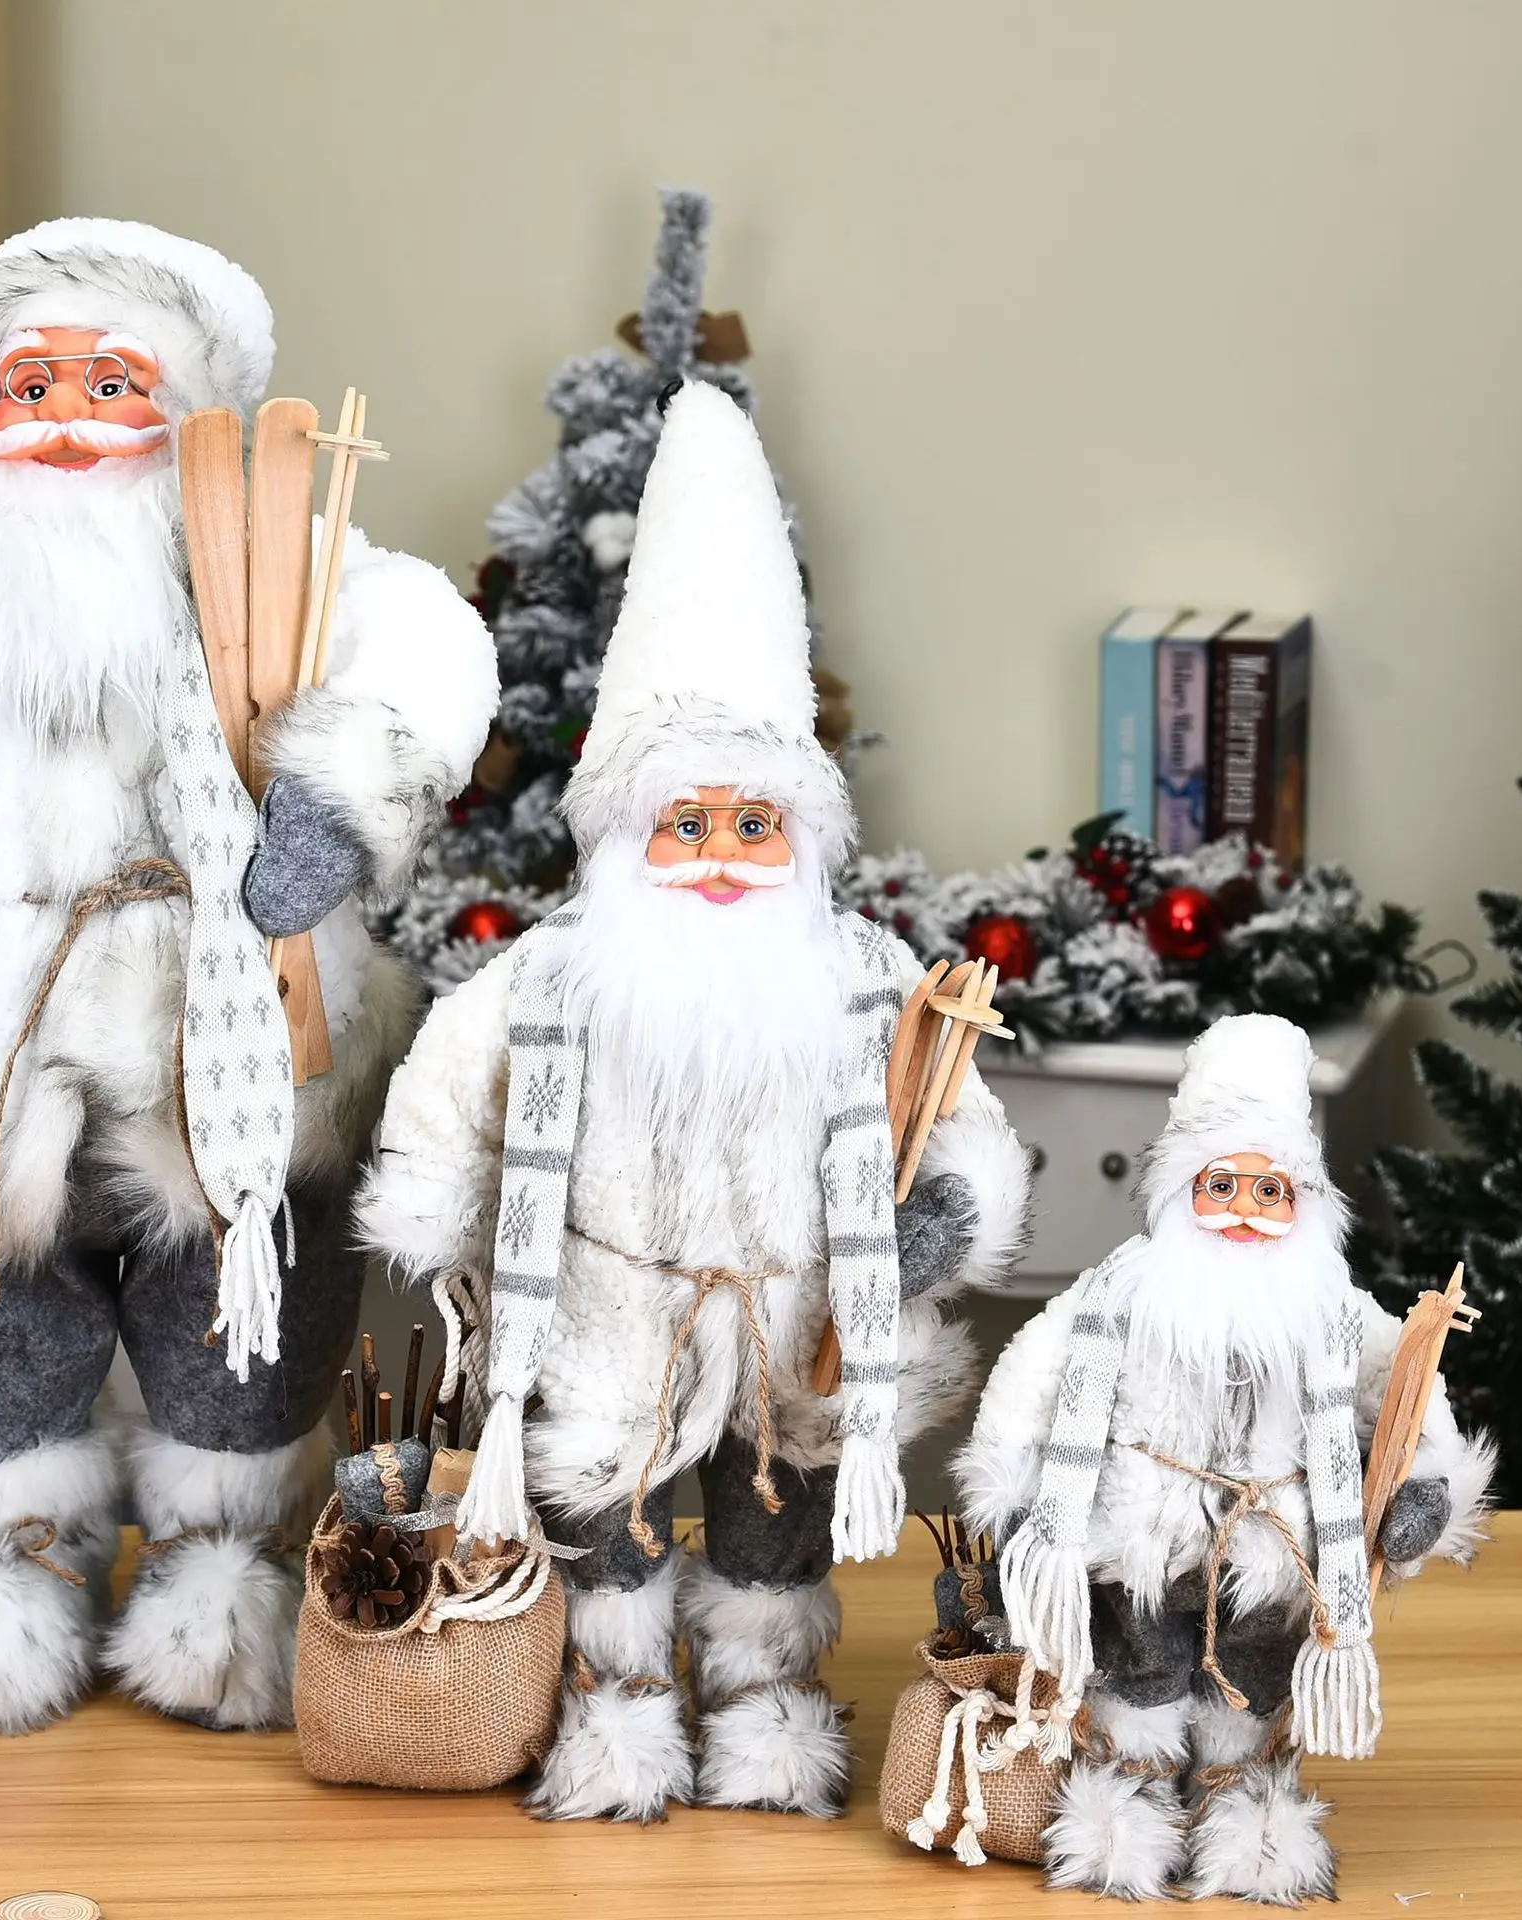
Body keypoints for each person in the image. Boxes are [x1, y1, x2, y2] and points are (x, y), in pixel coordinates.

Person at [0, 219, 498, 1734]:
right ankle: (9, 1562)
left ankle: (224, 1566)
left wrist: (333, 811)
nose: (60, 412)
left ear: (188, 416)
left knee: (240, 1324)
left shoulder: (281, 578)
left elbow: (428, 653)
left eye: (110, 383)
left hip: (224, 1034)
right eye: (28, 379)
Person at [358, 381, 1031, 1820]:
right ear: (626, 832)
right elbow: (446, 1094)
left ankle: (766, 1703)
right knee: (605, 1519)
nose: (721, 855)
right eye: (687, 822)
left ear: (802, 836)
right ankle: (618, 1702)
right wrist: (442, 1207)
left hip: (797, 1319)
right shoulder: (550, 977)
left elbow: (961, 1115)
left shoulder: (866, 975)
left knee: (772, 1519)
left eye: (753, 824)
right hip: (611, 1316)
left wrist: (948, 1211)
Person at [956, 1013, 1493, 1902]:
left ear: (1304, 1201)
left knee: (1252, 1674)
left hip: (1273, 1546)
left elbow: (1401, 1384)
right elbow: (1031, 1375)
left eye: (1270, 1190)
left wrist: (1425, 1486)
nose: (1245, 1208)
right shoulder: (1119, 1291)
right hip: (1143, 1531)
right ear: (1182, 1188)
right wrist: (1014, 1486)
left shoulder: (1332, 1308)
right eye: (1222, 1184)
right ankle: (1126, 1796)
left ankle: (1241, 1800)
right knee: (1139, 1661)